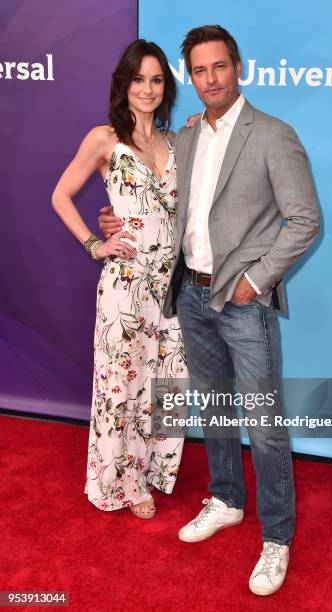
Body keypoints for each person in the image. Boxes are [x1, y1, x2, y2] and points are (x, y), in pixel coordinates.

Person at [99, 25, 320, 595]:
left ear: (237, 68)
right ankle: (225, 498)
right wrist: (111, 223)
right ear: (190, 77)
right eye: (198, 71)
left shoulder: (273, 134)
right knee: (214, 407)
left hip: (242, 302)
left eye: (219, 67)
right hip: (189, 296)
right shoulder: (187, 138)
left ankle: (277, 535)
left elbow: (305, 221)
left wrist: (255, 281)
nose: (210, 79)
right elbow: (157, 199)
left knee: (264, 426)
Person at [52, 39, 187, 519]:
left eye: (156, 80)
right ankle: (125, 482)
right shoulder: (104, 139)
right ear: (123, 84)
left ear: (165, 87)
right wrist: (95, 242)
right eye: (138, 79)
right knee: (121, 385)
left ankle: (153, 468)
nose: (147, 89)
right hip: (125, 286)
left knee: (168, 380)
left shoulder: (177, 143)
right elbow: (60, 196)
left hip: (172, 287)